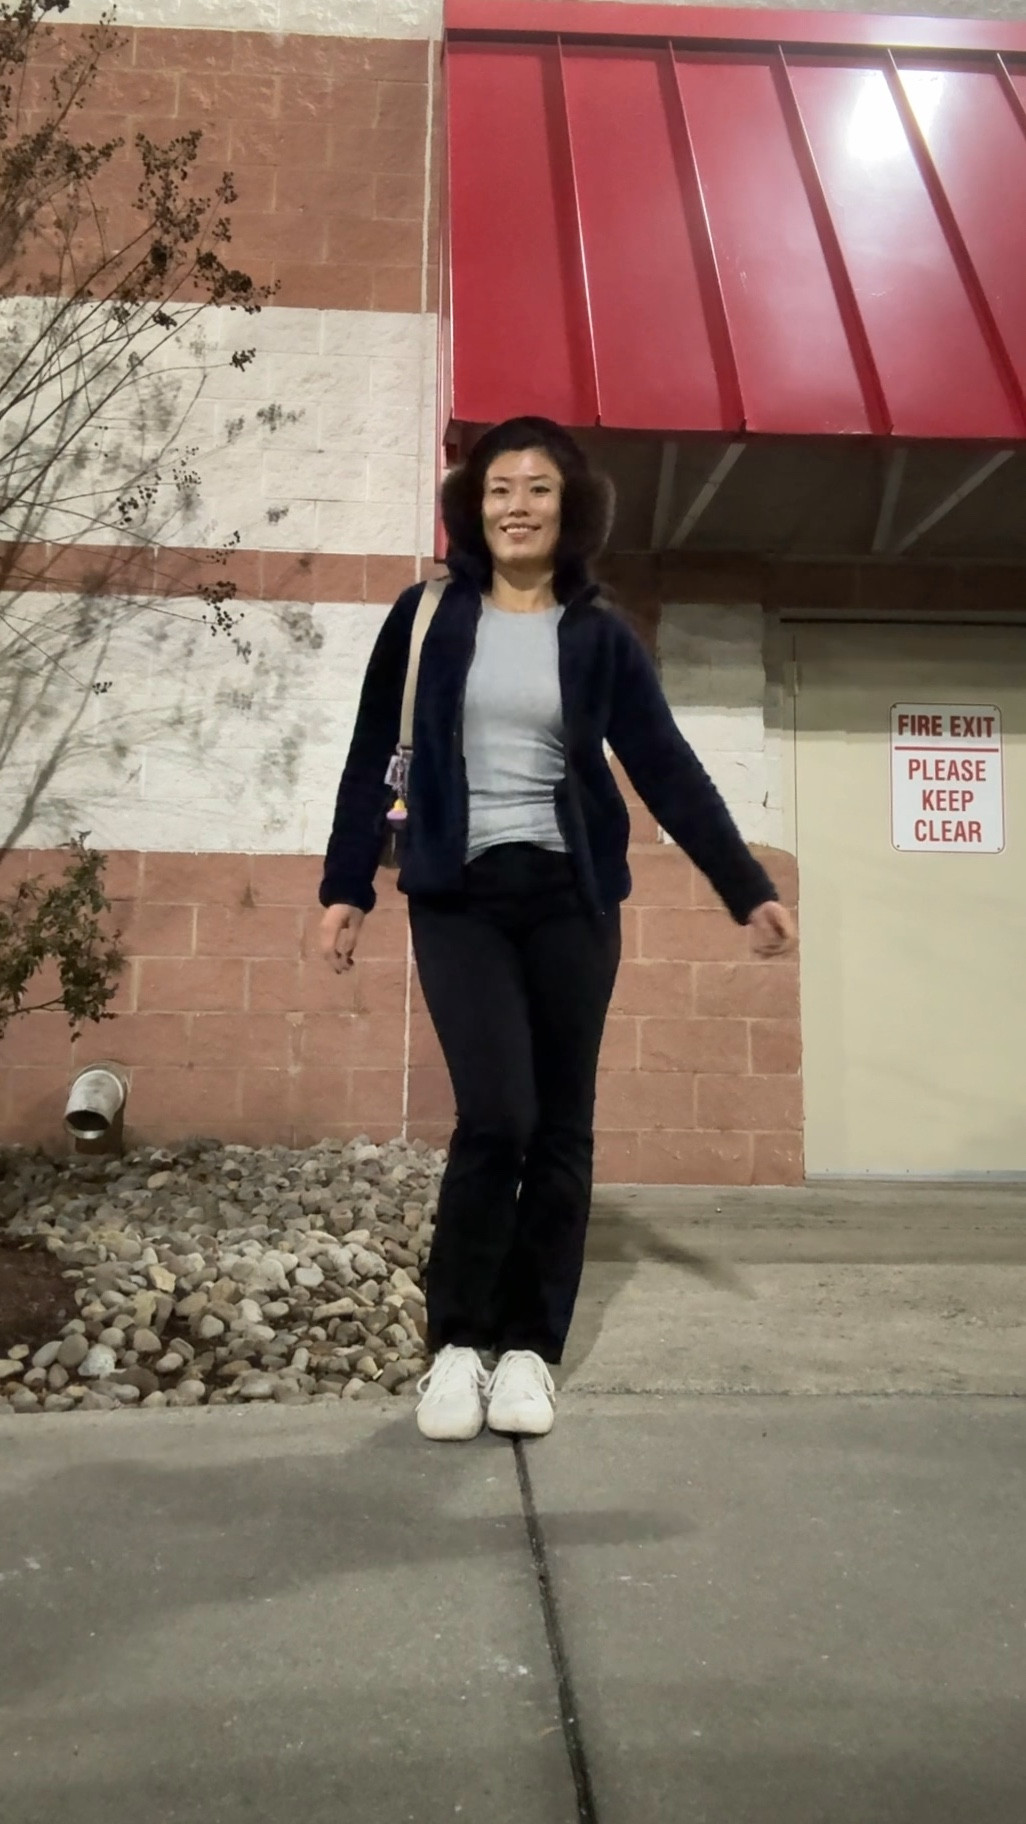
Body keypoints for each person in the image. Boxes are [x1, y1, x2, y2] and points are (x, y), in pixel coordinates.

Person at [318, 416, 795, 1444]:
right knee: (497, 1114)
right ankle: (457, 1344)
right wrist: (346, 885)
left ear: (568, 508)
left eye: (537, 488)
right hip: (459, 898)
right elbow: (371, 755)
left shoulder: (599, 634)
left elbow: (665, 766)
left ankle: (531, 1348)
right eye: (499, 489)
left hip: (573, 903)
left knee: (563, 1124)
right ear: (472, 506)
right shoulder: (428, 616)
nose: (517, 505)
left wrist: (743, 884)